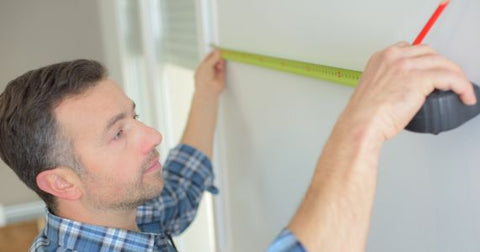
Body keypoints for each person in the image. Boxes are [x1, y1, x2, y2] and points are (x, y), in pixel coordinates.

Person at [0, 41, 475, 252]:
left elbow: (178, 196)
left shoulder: (109, 215)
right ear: (61, 181)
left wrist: (205, 94)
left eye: (134, 115)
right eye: (118, 133)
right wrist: (365, 121)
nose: (151, 136)